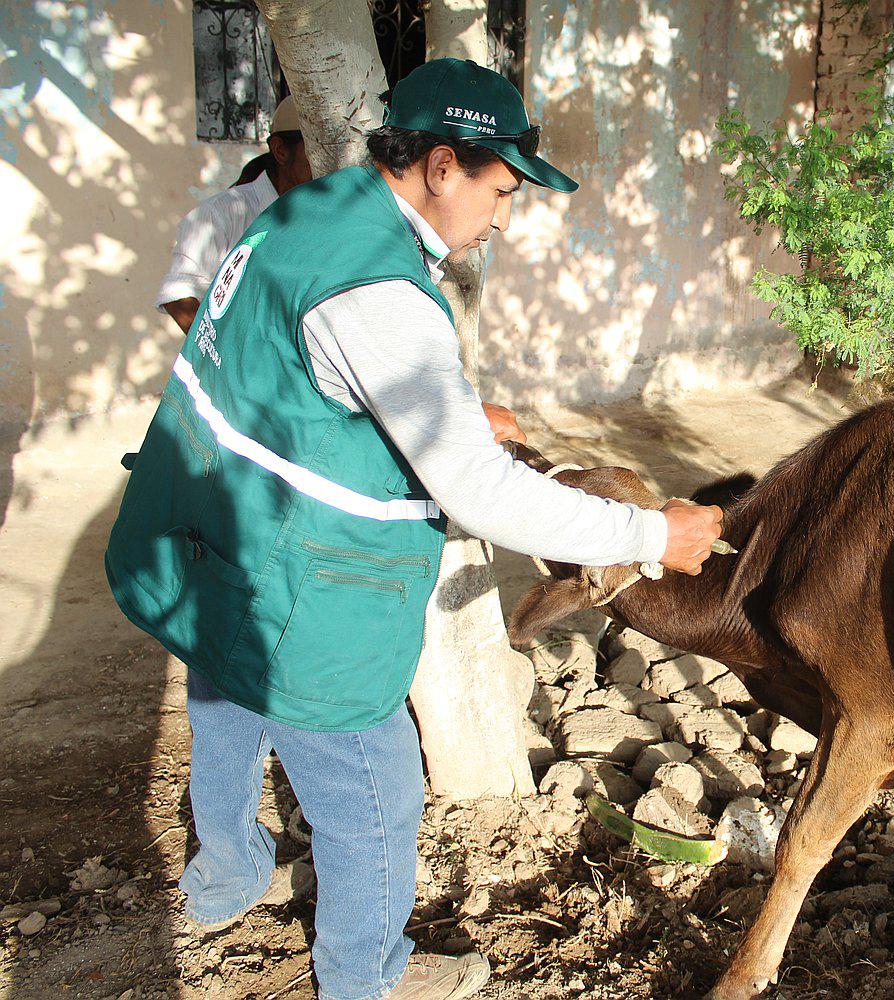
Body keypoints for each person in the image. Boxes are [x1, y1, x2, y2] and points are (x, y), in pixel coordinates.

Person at [105, 58, 724, 1000]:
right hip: (295, 585)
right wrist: (648, 536)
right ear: (441, 165)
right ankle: (366, 978)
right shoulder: (381, 291)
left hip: (212, 536)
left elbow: (308, 376)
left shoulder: (309, 213)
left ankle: (224, 875)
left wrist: (459, 416)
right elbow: (478, 494)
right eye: (502, 190)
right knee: (375, 797)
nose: (504, 217)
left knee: (225, 695)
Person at [155, 96, 313, 333]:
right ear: (281, 150)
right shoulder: (219, 214)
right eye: (314, 148)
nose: (324, 161)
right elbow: (179, 294)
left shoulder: (333, 215)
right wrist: (225, 350)